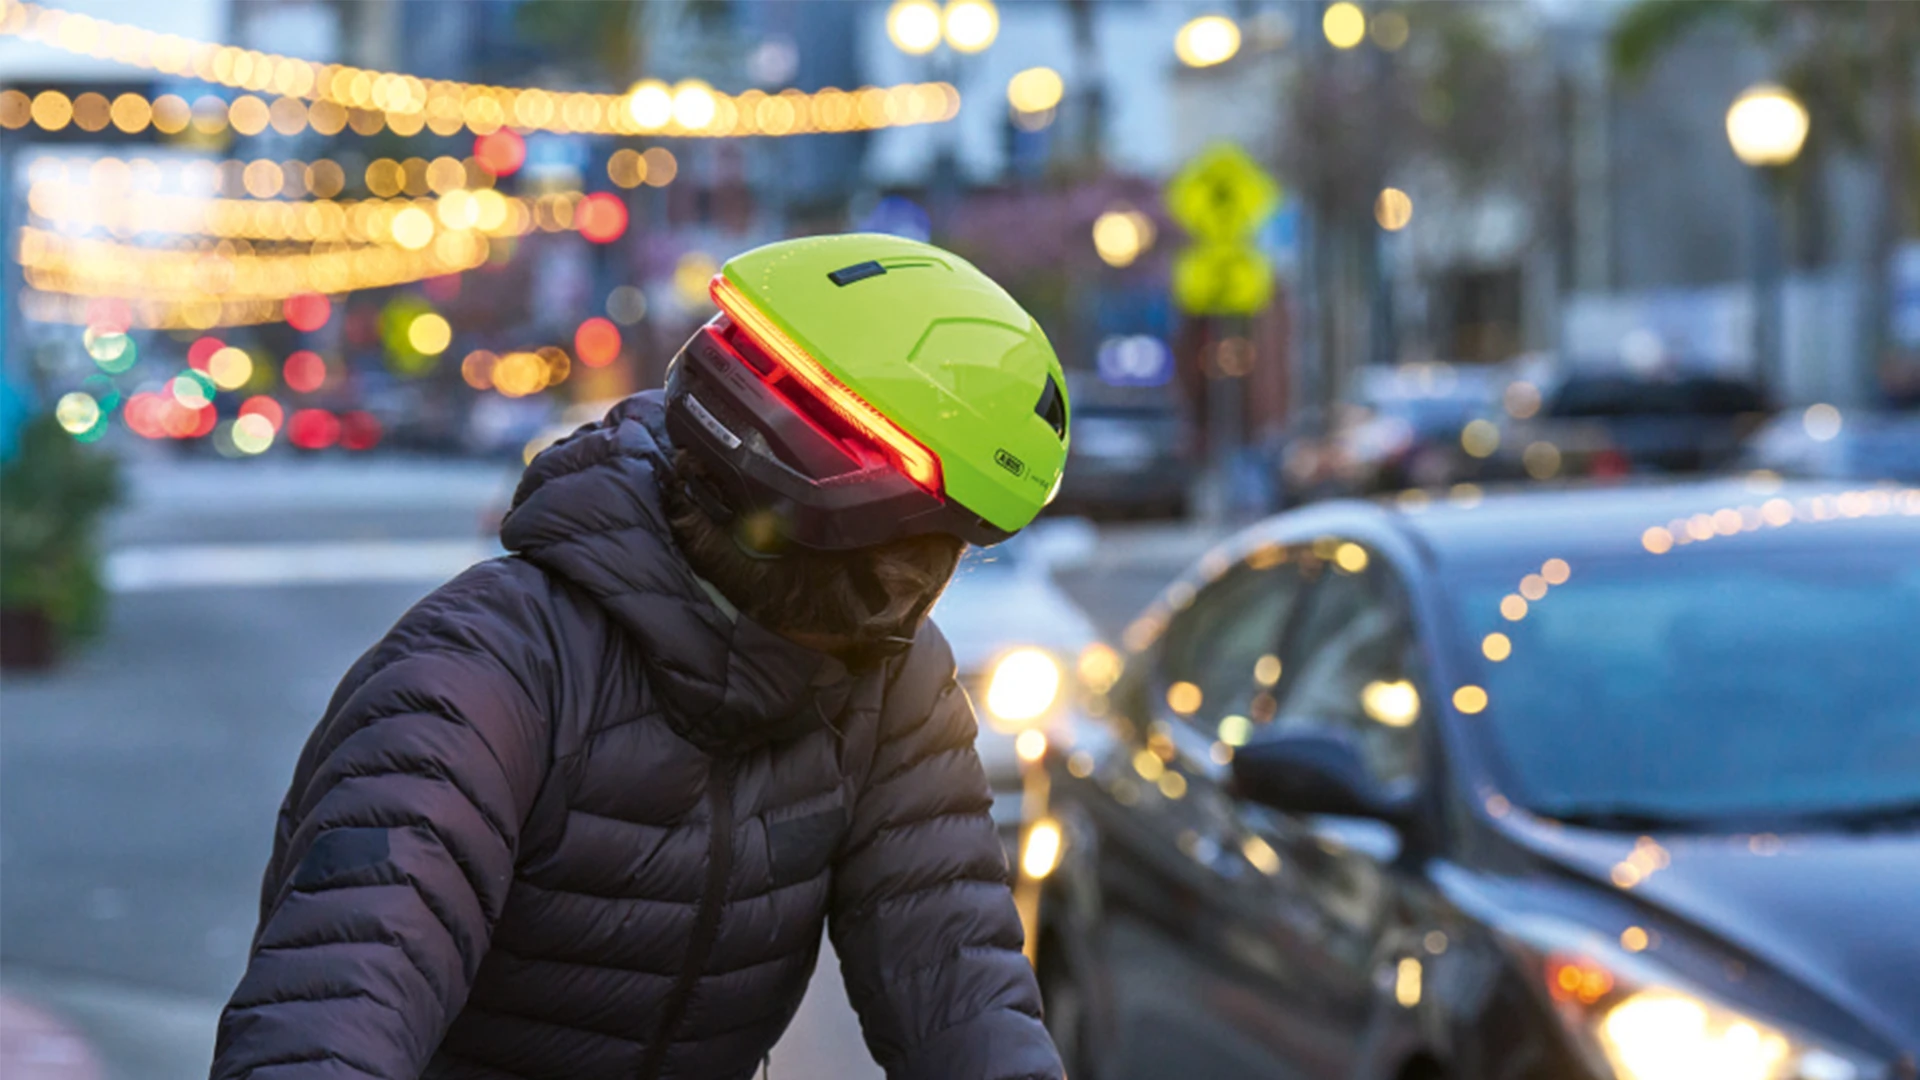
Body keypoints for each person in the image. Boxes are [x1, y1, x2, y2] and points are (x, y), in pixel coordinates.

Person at [209, 234, 1071, 1080]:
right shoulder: (483, 674)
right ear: (870, 566)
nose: (927, 596)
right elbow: (336, 1006)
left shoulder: (890, 683)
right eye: (931, 558)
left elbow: (960, 985)